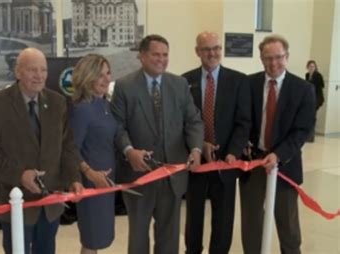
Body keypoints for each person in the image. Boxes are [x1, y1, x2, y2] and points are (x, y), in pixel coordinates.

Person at [0, 47, 84, 254]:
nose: (39, 76)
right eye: (32, 70)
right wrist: (19, 175)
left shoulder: (58, 102)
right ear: (18, 72)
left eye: (43, 70)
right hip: (17, 202)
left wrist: (74, 179)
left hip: (50, 203)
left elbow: (67, 147)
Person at [111, 34, 204, 254]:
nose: (161, 59)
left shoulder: (179, 84)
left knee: (169, 236)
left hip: (172, 175)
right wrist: (129, 150)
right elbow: (116, 126)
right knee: (138, 236)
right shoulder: (124, 86)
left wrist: (196, 149)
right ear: (142, 56)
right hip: (138, 175)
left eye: (165, 55)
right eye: (156, 55)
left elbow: (193, 121)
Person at [239, 35, 316, 254]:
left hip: (285, 165)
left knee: (288, 225)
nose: (273, 63)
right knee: (251, 223)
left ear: (287, 57)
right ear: (261, 59)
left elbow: (303, 129)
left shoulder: (303, 89)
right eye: (267, 58)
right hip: (253, 164)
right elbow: (243, 121)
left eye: (279, 57)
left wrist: (278, 155)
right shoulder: (249, 83)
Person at [182, 31, 251, 254]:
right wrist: (200, 143)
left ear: (221, 50)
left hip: (227, 163)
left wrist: (233, 152)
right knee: (194, 215)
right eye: (206, 49)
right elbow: (182, 122)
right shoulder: (184, 81)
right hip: (196, 161)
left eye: (216, 48)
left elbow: (244, 122)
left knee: (223, 218)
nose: (212, 53)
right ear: (197, 52)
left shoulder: (239, 80)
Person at [70, 54, 117, 254]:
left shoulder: (107, 105)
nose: (107, 79)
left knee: (101, 237)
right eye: (100, 75)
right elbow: (72, 150)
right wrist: (90, 174)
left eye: (108, 74)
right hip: (91, 183)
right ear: (88, 77)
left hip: (107, 182)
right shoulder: (82, 110)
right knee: (91, 240)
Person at [305, 60, 325, 142]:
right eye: (310, 66)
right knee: (309, 116)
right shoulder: (307, 75)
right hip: (310, 98)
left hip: (317, 98)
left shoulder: (318, 75)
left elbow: (321, 86)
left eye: (313, 66)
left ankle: (311, 137)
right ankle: (308, 136)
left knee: (312, 117)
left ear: (315, 67)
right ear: (307, 67)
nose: (311, 68)